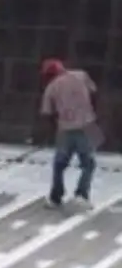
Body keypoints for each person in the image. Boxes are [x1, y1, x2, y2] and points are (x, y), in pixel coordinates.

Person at [40, 58, 100, 209]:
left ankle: (55, 197)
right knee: (88, 163)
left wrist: (50, 133)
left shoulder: (51, 88)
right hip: (87, 125)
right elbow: (94, 93)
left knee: (59, 165)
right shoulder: (81, 75)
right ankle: (81, 195)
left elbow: (47, 113)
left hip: (65, 129)